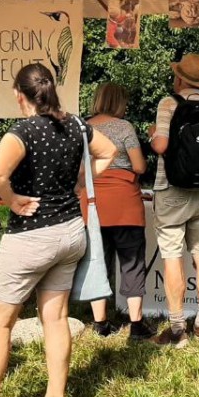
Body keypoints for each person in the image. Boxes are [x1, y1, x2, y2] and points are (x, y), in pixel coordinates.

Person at [0, 63, 117, 397]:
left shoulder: (22, 131)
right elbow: (108, 151)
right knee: (56, 318)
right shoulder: (76, 125)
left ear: (19, 95)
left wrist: (11, 199)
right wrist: (80, 182)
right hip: (70, 234)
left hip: (31, 237)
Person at [147, 53, 199, 348]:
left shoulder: (168, 104)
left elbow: (161, 146)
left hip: (170, 189)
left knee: (172, 255)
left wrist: (152, 136)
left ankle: (177, 328)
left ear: (179, 77)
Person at [84, 82, 155, 341]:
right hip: (125, 203)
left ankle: (100, 324)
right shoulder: (124, 127)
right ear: (119, 102)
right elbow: (138, 166)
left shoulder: (84, 127)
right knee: (132, 262)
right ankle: (136, 325)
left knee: (97, 262)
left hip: (92, 204)